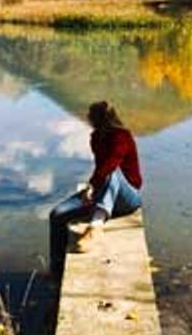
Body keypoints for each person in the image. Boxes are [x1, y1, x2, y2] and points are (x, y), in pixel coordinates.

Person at [48, 100, 143, 278]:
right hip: (104, 192)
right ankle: (56, 269)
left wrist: (92, 185)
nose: (88, 120)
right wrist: (91, 189)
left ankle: (96, 227)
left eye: (91, 117)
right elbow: (101, 169)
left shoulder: (122, 136)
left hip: (128, 197)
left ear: (99, 118)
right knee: (57, 214)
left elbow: (110, 164)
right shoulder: (96, 138)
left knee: (112, 172)